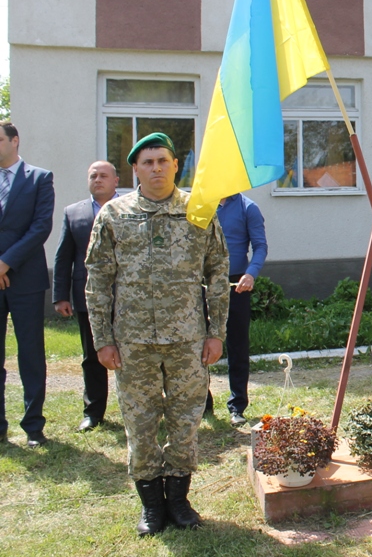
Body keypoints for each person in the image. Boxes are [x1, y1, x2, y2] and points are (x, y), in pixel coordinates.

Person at [86, 133, 229, 536]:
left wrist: (215, 332)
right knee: (140, 422)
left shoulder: (198, 210)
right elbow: (98, 280)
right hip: (133, 341)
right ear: (134, 169)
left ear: (175, 165)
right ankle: (151, 506)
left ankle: (179, 502)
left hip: (187, 339)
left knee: (185, 421)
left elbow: (218, 273)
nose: (156, 168)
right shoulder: (114, 214)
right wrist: (103, 339)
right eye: (147, 162)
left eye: (163, 160)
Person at [53, 160, 119, 433]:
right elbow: (63, 257)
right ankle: (93, 412)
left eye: (104, 175)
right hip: (88, 298)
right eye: (93, 176)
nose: (98, 179)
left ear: (116, 181)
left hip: (128, 297)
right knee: (92, 356)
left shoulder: (130, 209)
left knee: (139, 357)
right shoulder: (73, 213)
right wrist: (61, 296)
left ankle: (143, 411)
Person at [0, 122, 54, 448]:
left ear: (14, 140)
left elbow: (40, 227)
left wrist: (5, 263)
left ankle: (33, 427)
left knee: (30, 354)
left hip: (26, 279)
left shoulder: (39, 178)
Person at [204, 194, 267, 426]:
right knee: (199, 343)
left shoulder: (248, 208)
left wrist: (251, 274)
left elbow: (260, 246)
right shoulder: (202, 204)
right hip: (203, 282)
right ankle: (203, 403)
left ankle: (237, 406)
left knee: (237, 345)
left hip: (236, 285)